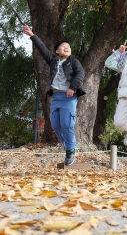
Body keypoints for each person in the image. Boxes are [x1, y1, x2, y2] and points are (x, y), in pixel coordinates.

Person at [22, 25, 85, 166]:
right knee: (55, 125)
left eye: (68, 46)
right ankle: (69, 147)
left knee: (66, 124)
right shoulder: (54, 61)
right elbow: (43, 49)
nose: (66, 47)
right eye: (63, 46)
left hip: (69, 97)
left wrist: (72, 87)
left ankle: (70, 149)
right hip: (56, 97)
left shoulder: (74, 61)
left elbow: (81, 74)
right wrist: (32, 35)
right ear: (57, 51)